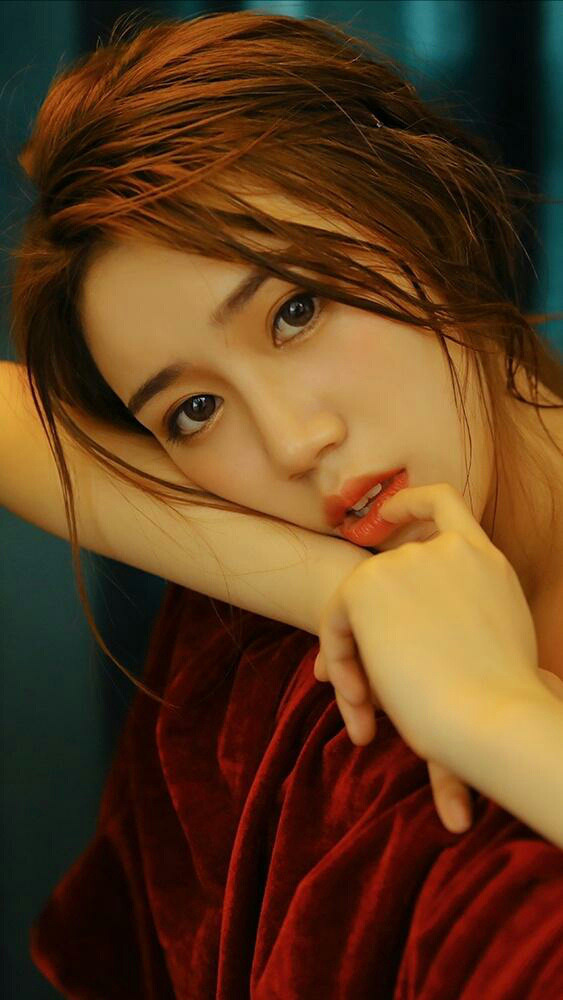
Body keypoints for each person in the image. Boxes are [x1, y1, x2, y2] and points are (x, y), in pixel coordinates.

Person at [2, 9, 562, 997]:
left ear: (415, 205)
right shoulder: (284, 591)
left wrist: (489, 711)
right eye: (195, 410)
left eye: (295, 310)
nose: (293, 443)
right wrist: (334, 586)